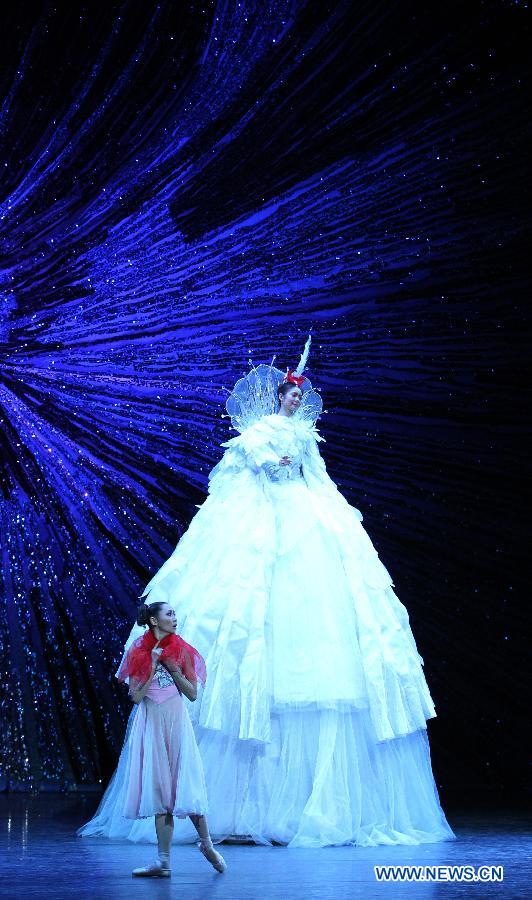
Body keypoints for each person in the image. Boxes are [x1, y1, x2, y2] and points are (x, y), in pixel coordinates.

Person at [102, 335, 455, 847]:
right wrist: (270, 467)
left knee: (322, 623)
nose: (294, 401)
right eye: (289, 396)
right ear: (278, 398)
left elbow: (317, 477)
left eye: (299, 397)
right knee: (251, 620)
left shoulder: (306, 435)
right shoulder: (258, 432)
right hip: (263, 520)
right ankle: (226, 802)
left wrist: (336, 519)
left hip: (304, 519)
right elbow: (240, 473)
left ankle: (302, 802)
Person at [77, 600, 226, 877]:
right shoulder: (139, 651)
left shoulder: (181, 649)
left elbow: (192, 693)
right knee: (160, 791)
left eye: (175, 613)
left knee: (185, 783)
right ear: (154, 620)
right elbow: (135, 696)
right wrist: (153, 664)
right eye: (169, 614)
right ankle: (164, 862)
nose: (175, 618)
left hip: (176, 722)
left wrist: (170, 667)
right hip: (151, 723)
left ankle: (206, 844)